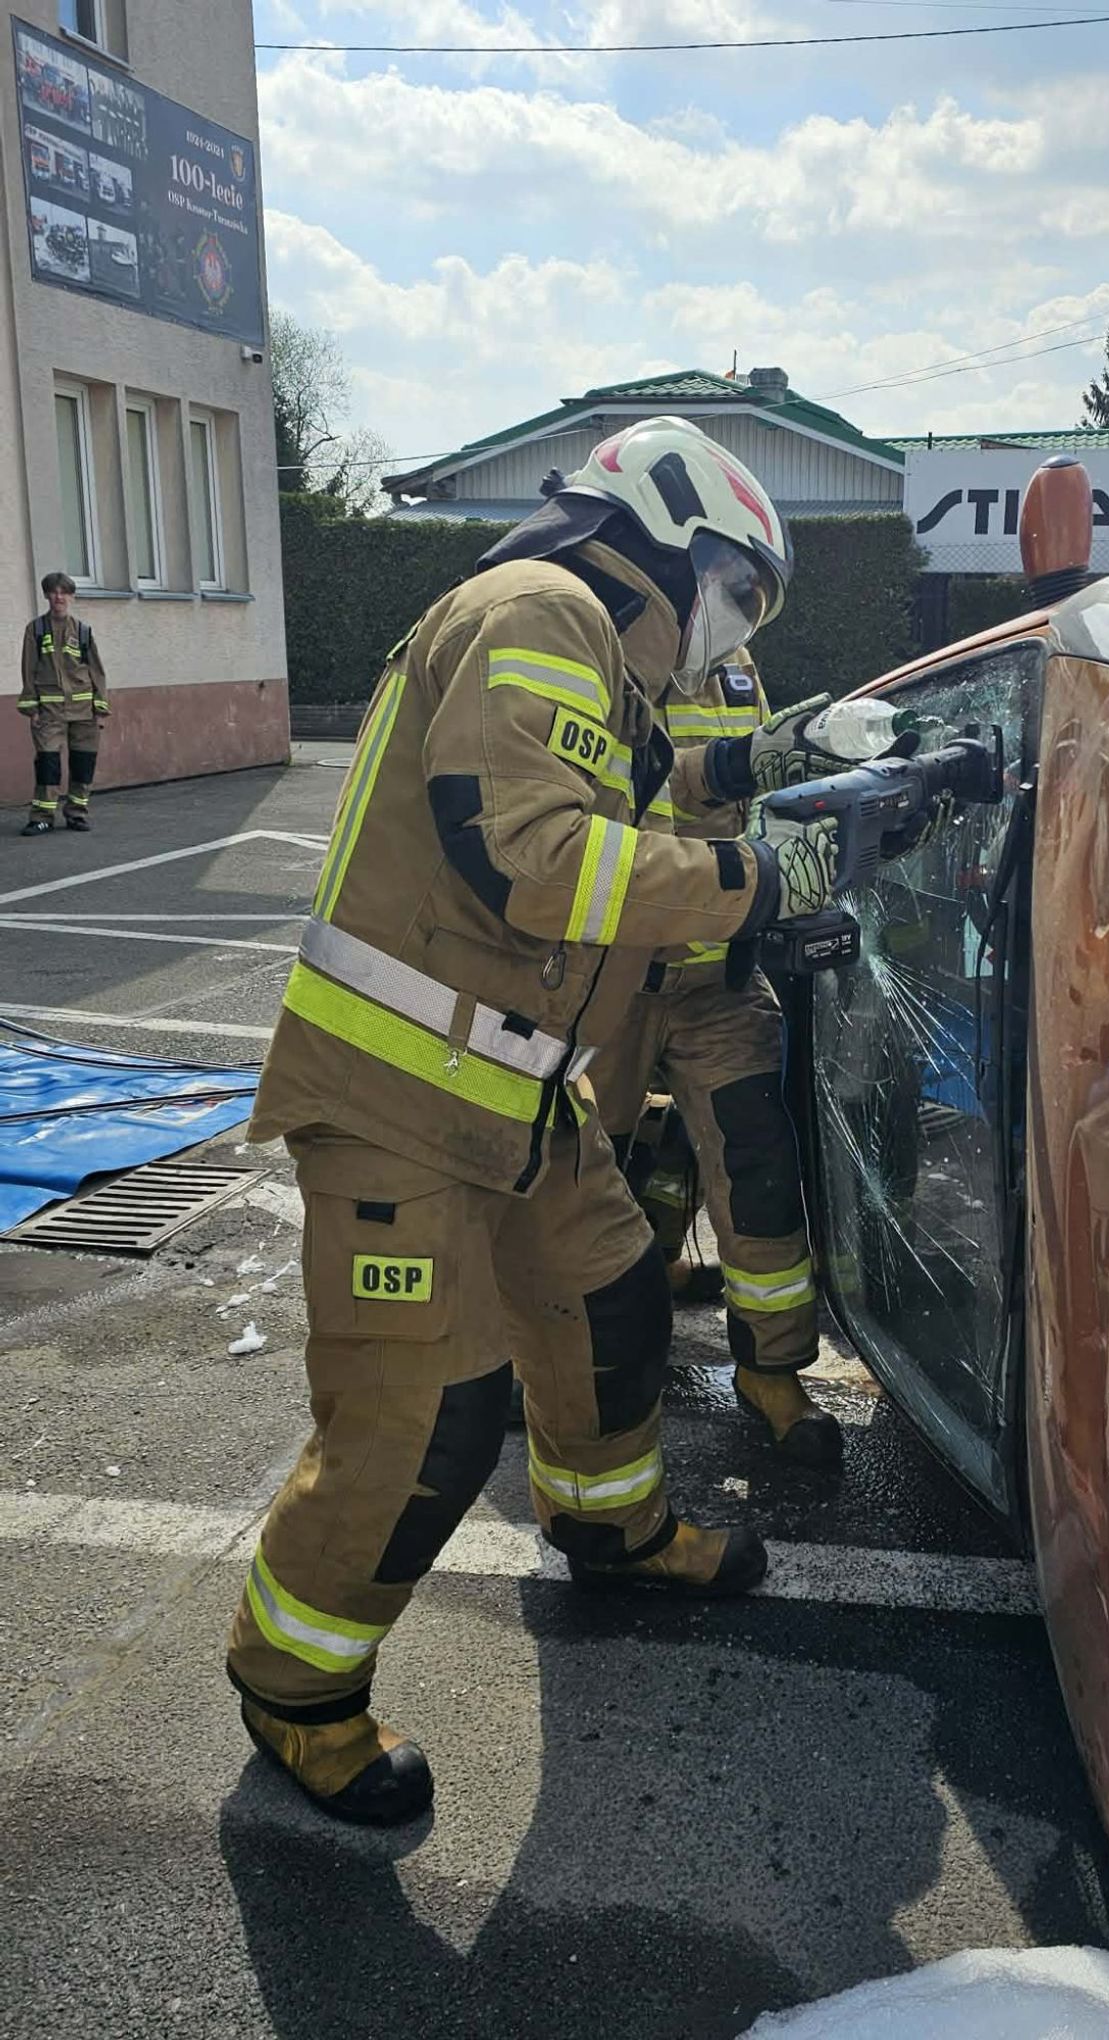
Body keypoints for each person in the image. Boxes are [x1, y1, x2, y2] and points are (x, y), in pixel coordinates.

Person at [226, 417, 841, 1826]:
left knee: (610, 1296)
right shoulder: (541, 609)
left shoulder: (591, 655)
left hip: (504, 1089)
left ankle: (610, 1528)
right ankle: (295, 1687)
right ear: (668, 534)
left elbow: (642, 800)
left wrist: (782, 774)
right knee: (427, 1413)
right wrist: (759, 881)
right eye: (737, 591)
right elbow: (532, 854)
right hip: (393, 1095)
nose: (732, 628)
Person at [593, 645, 842, 1466]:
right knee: (578, 1175)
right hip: (606, 982)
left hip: (718, 982)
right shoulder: (591, 644)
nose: (736, 599)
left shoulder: (734, 665)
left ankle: (771, 1369)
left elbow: (762, 801)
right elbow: (595, 801)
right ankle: (552, 1359)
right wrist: (731, 764)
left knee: (758, 1165)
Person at [17, 571, 108, 835]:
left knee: (82, 764)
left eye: (64, 592)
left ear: (71, 596)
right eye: (54, 592)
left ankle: (77, 814)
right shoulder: (36, 629)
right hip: (49, 712)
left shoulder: (82, 631)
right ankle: (42, 817)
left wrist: (100, 708)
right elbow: (28, 669)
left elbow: (97, 672)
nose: (59, 597)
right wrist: (31, 708)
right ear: (46, 595)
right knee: (48, 764)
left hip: (84, 712)